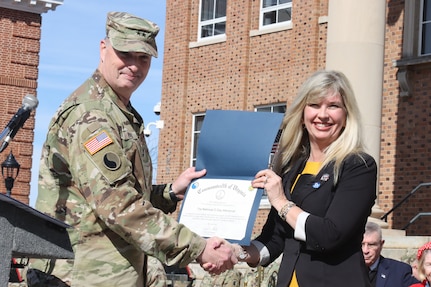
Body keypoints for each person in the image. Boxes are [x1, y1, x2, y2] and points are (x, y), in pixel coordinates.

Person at [24, 12, 236, 287]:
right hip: (79, 276)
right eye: (125, 53)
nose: (134, 66)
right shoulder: (92, 116)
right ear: (104, 49)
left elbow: (122, 194)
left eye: (144, 58)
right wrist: (197, 247)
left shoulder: (119, 111)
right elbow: (118, 204)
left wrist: (171, 192)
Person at [231, 70, 377, 287]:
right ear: (302, 113)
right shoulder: (291, 168)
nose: (323, 114)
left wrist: (281, 202)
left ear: (347, 116)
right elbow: (274, 241)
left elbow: (330, 235)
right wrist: (235, 252)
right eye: (315, 105)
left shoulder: (358, 166)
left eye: (333, 106)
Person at [362, 221, 419, 287]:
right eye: (362, 244)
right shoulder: (348, 270)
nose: (365, 250)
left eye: (371, 245)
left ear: (381, 244)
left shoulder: (400, 272)